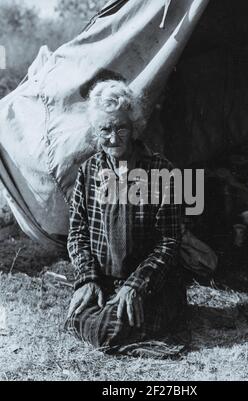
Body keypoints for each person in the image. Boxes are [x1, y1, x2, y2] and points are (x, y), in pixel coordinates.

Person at [65, 80, 187, 352]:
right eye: (105, 129)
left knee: (109, 330)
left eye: (120, 127)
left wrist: (135, 286)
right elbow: (77, 233)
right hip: (105, 281)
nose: (113, 137)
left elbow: (169, 241)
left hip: (151, 284)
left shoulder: (160, 170)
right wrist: (88, 279)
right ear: (96, 132)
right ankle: (109, 314)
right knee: (80, 316)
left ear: (133, 127)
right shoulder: (88, 171)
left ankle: (122, 320)